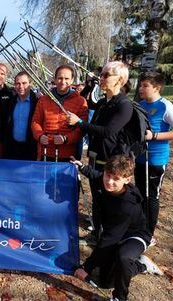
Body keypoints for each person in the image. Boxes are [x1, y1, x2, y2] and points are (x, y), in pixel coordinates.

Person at [72, 155, 163, 301]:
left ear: (127, 179)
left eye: (116, 179)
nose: (109, 181)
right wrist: (82, 167)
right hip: (116, 233)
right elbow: (96, 175)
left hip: (135, 235)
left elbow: (108, 240)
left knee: (123, 257)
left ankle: (122, 294)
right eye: (108, 175)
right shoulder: (104, 180)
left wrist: (86, 268)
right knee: (106, 281)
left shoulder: (126, 206)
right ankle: (137, 265)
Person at [67, 61, 133, 238]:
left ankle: (109, 236)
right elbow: (92, 120)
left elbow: (107, 131)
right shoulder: (104, 101)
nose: (101, 78)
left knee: (108, 198)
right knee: (97, 196)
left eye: (105, 75)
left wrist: (80, 123)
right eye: (101, 75)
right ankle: (97, 231)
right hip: (95, 156)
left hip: (111, 159)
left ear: (120, 80)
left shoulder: (124, 105)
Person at [135, 71, 173, 242]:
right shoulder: (140, 104)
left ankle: (149, 235)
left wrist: (155, 136)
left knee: (151, 196)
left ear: (157, 88)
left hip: (156, 160)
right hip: (139, 158)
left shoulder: (166, 106)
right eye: (140, 85)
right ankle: (139, 229)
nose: (141, 88)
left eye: (145, 85)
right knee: (140, 194)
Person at [31, 64, 88, 162]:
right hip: (45, 151)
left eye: (66, 78)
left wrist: (66, 139)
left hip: (68, 154)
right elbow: (35, 122)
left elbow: (82, 128)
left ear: (72, 80)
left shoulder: (80, 101)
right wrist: (39, 136)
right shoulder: (43, 100)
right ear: (55, 79)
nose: (63, 82)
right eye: (60, 78)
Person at [5, 71, 38, 161]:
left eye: (24, 83)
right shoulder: (11, 101)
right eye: (18, 84)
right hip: (13, 148)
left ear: (30, 84)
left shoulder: (37, 101)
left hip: (30, 148)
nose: (21, 87)